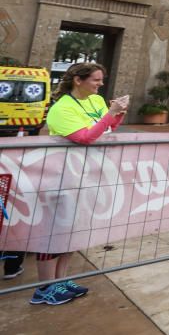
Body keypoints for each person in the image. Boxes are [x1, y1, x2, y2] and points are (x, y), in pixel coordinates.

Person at [34, 62, 129, 305]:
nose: (101, 84)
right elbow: (85, 137)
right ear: (78, 80)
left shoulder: (97, 101)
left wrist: (117, 115)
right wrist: (110, 115)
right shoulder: (61, 108)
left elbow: (106, 130)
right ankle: (43, 288)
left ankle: (61, 279)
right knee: (55, 232)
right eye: (96, 80)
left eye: (101, 80)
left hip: (89, 174)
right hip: (62, 176)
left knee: (73, 232)